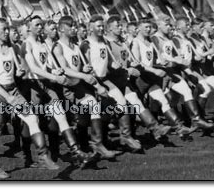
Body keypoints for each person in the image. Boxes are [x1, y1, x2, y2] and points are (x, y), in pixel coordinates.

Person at [0, 18, 59, 179]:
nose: (7, 32)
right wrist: (6, 97)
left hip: (12, 90)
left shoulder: (10, 48)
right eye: (3, 29)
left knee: (32, 118)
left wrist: (20, 72)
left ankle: (43, 155)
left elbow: (16, 70)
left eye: (7, 29)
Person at [23, 15, 93, 167]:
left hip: (46, 85)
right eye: (37, 25)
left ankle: (76, 151)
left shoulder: (43, 44)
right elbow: (33, 68)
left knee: (60, 115)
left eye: (41, 25)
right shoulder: (26, 44)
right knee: (30, 123)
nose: (40, 27)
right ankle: (28, 156)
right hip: (32, 86)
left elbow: (46, 65)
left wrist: (56, 70)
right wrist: (54, 76)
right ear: (29, 27)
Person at [53, 16, 118, 159]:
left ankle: (85, 146)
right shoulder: (58, 47)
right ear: (62, 29)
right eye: (71, 26)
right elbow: (65, 69)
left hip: (79, 85)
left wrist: (85, 69)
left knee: (84, 117)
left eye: (75, 26)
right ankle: (97, 144)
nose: (74, 29)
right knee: (93, 105)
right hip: (68, 88)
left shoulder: (75, 45)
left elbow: (78, 66)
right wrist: (83, 76)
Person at [80, 15, 142, 151]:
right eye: (98, 26)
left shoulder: (104, 42)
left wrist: (118, 66)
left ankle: (125, 136)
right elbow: (85, 67)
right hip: (93, 81)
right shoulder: (86, 44)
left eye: (102, 26)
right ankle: (93, 143)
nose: (101, 28)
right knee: (93, 115)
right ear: (91, 27)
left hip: (105, 79)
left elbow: (109, 63)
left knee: (120, 102)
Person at [105, 15, 171, 142]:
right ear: (109, 28)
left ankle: (154, 129)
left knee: (135, 102)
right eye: (117, 26)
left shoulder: (122, 42)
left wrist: (131, 64)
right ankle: (108, 137)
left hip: (123, 81)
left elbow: (128, 60)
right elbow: (105, 65)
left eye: (120, 25)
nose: (120, 28)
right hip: (111, 82)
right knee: (107, 114)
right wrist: (124, 69)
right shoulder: (106, 43)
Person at [131, 18, 195, 139]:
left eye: (150, 27)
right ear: (139, 28)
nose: (149, 29)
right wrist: (154, 70)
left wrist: (166, 62)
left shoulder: (150, 42)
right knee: (134, 109)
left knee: (163, 100)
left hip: (150, 79)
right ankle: (132, 135)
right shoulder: (135, 42)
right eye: (146, 27)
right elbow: (138, 63)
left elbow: (158, 59)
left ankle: (179, 127)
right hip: (140, 80)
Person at [151, 16, 214, 133]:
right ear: (159, 26)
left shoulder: (168, 39)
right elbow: (157, 59)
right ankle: (159, 125)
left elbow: (177, 58)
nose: (169, 27)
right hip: (160, 74)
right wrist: (175, 61)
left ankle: (192, 121)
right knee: (159, 100)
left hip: (172, 73)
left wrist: (188, 72)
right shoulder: (154, 39)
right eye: (166, 25)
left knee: (178, 96)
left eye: (170, 25)